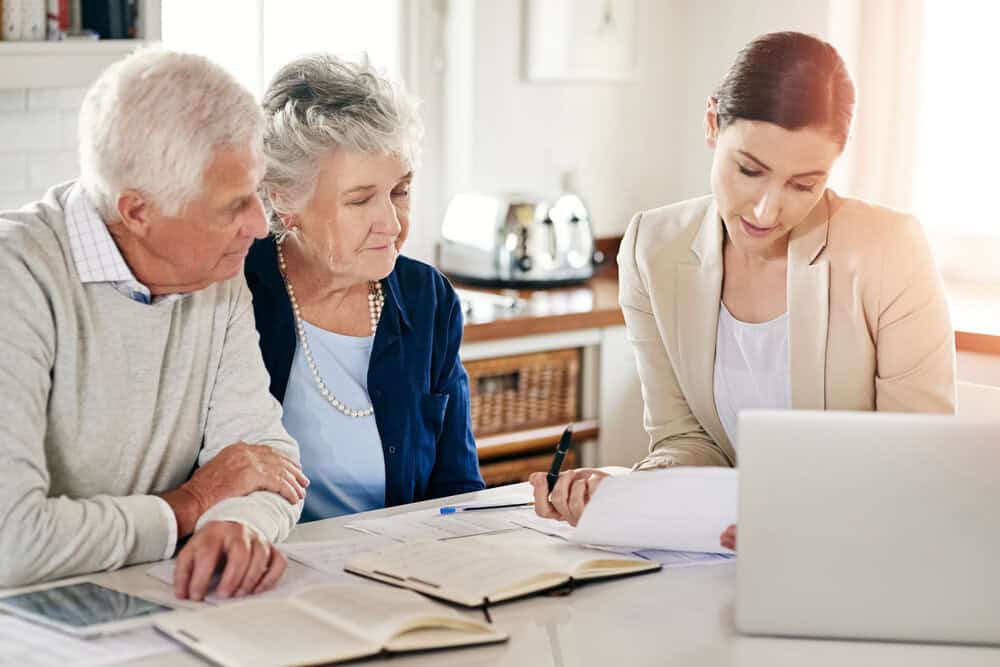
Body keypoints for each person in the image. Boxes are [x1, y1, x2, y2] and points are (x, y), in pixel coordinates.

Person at [530, 32, 956, 546]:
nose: (766, 210)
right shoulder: (652, 248)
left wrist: (795, 519)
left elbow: (917, 460)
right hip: (721, 557)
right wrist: (628, 494)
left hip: (855, 551)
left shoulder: (888, 249)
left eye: (804, 184)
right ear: (712, 124)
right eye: (750, 170)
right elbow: (687, 439)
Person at [0, 49, 309, 601]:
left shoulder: (214, 271)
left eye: (256, 194)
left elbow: (266, 460)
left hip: (149, 604)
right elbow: (12, 542)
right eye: (234, 205)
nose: (259, 228)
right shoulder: (16, 276)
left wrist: (234, 526)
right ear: (137, 211)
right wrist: (188, 507)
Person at [245, 53, 484, 522]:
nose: (392, 224)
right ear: (284, 198)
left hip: (400, 572)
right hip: (267, 571)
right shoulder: (234, 292)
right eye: (360, 200)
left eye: (400, 191)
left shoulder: (425, 297)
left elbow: (458, 487)